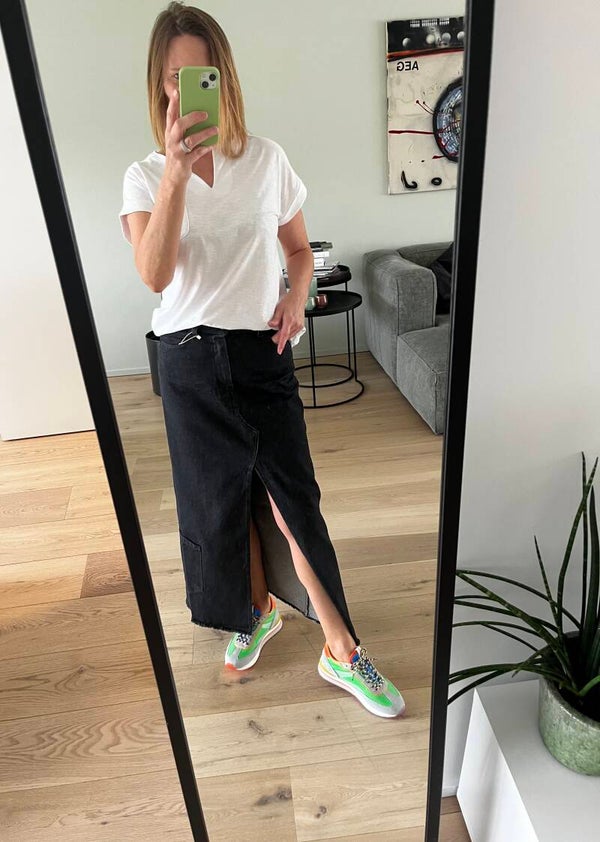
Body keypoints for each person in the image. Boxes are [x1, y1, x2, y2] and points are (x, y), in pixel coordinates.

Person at [119, 1, 405, 719]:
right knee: (219, 504)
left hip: (259, 349)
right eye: (175, 77)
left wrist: (296, 296)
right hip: (187, 359)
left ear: (224, 77)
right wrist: (176, 175)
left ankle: (341, 648)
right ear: (159, 85)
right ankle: (257, 612)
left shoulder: (266, 159)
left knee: (289, 497)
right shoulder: (143, 177)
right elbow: (154, 275)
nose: (187, 89)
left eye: (202, 74)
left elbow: (300, 251)